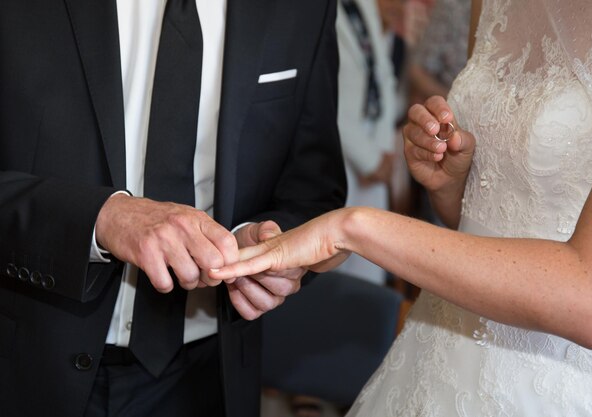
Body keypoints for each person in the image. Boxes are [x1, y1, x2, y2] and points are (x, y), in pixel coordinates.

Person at [211, 0, 592, 415]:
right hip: (442, 343)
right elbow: (482, 222)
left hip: (558, 381)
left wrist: (353, 228)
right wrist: (450, 183)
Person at [0, 0, 346, 416]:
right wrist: (104, 218)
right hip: (27, 364)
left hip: (210, 374)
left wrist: (262, 242)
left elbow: (313, 190)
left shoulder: (305, 9)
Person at [335, 0, 398, 285]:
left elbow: (383, 72)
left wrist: (383, 150)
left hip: (373, 138)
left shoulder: (366, 4)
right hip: (340, 149)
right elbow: (327, 96)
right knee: (334, 259)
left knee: (372, 262)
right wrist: (369, 159)